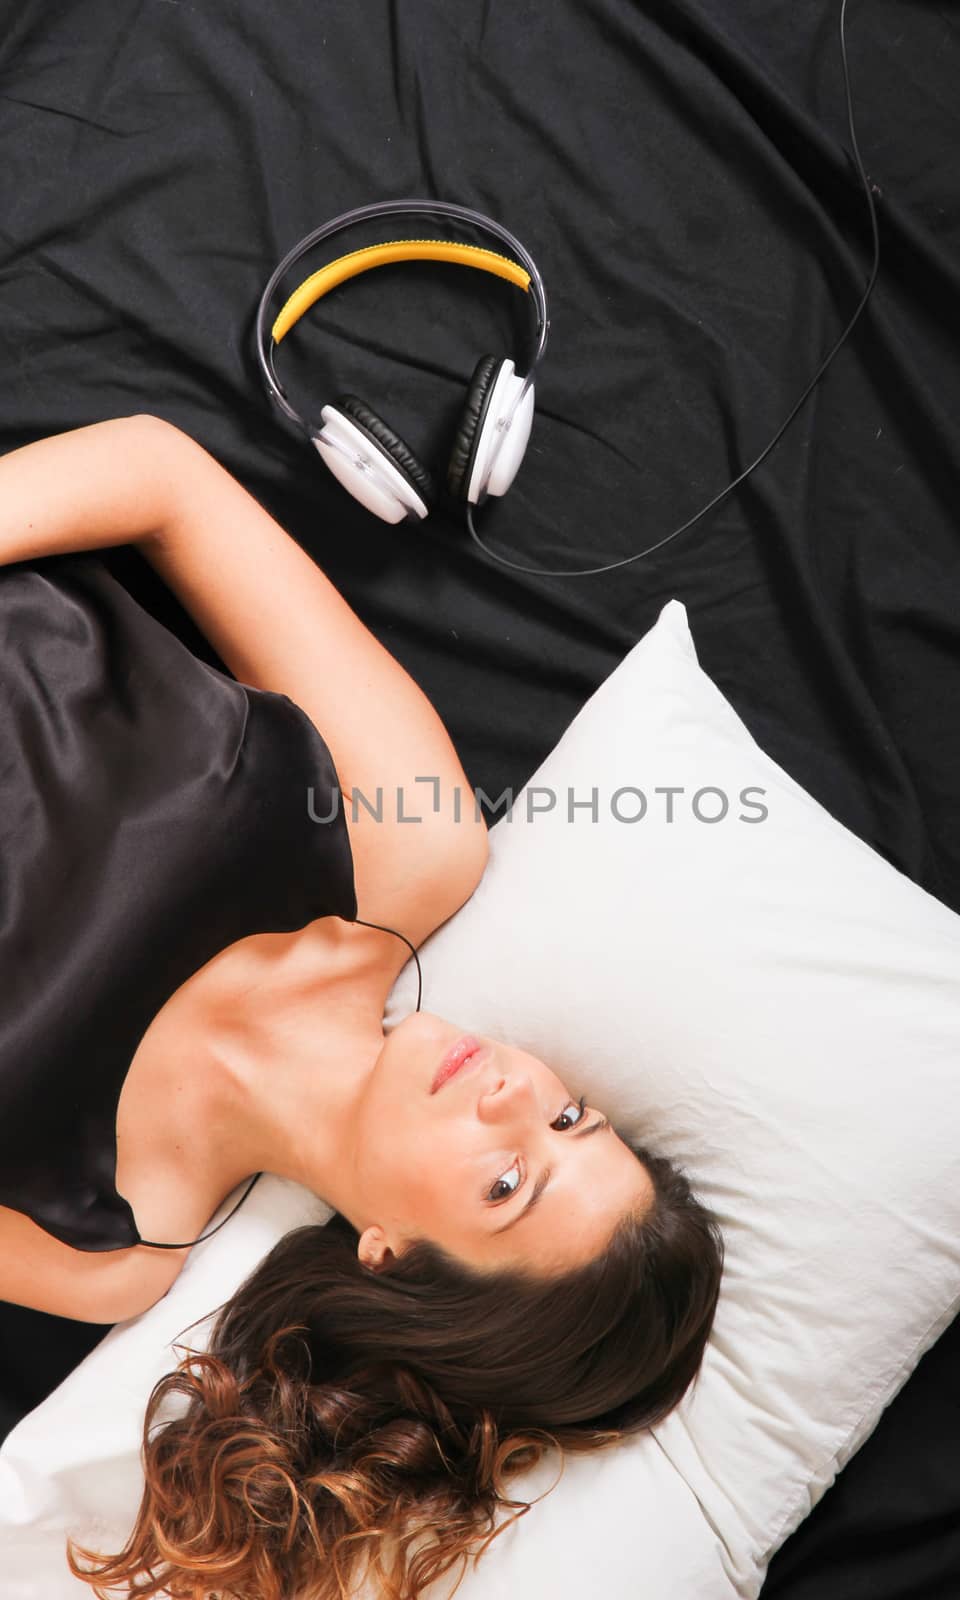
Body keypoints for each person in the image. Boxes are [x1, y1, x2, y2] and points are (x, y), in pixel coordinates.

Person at [0, 415, 724, 1600]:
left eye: (505, 1184)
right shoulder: (414, 847)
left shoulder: (106, 1245)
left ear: (390, 1259)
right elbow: (160, 478)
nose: (512, 1094)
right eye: (570, 1116)